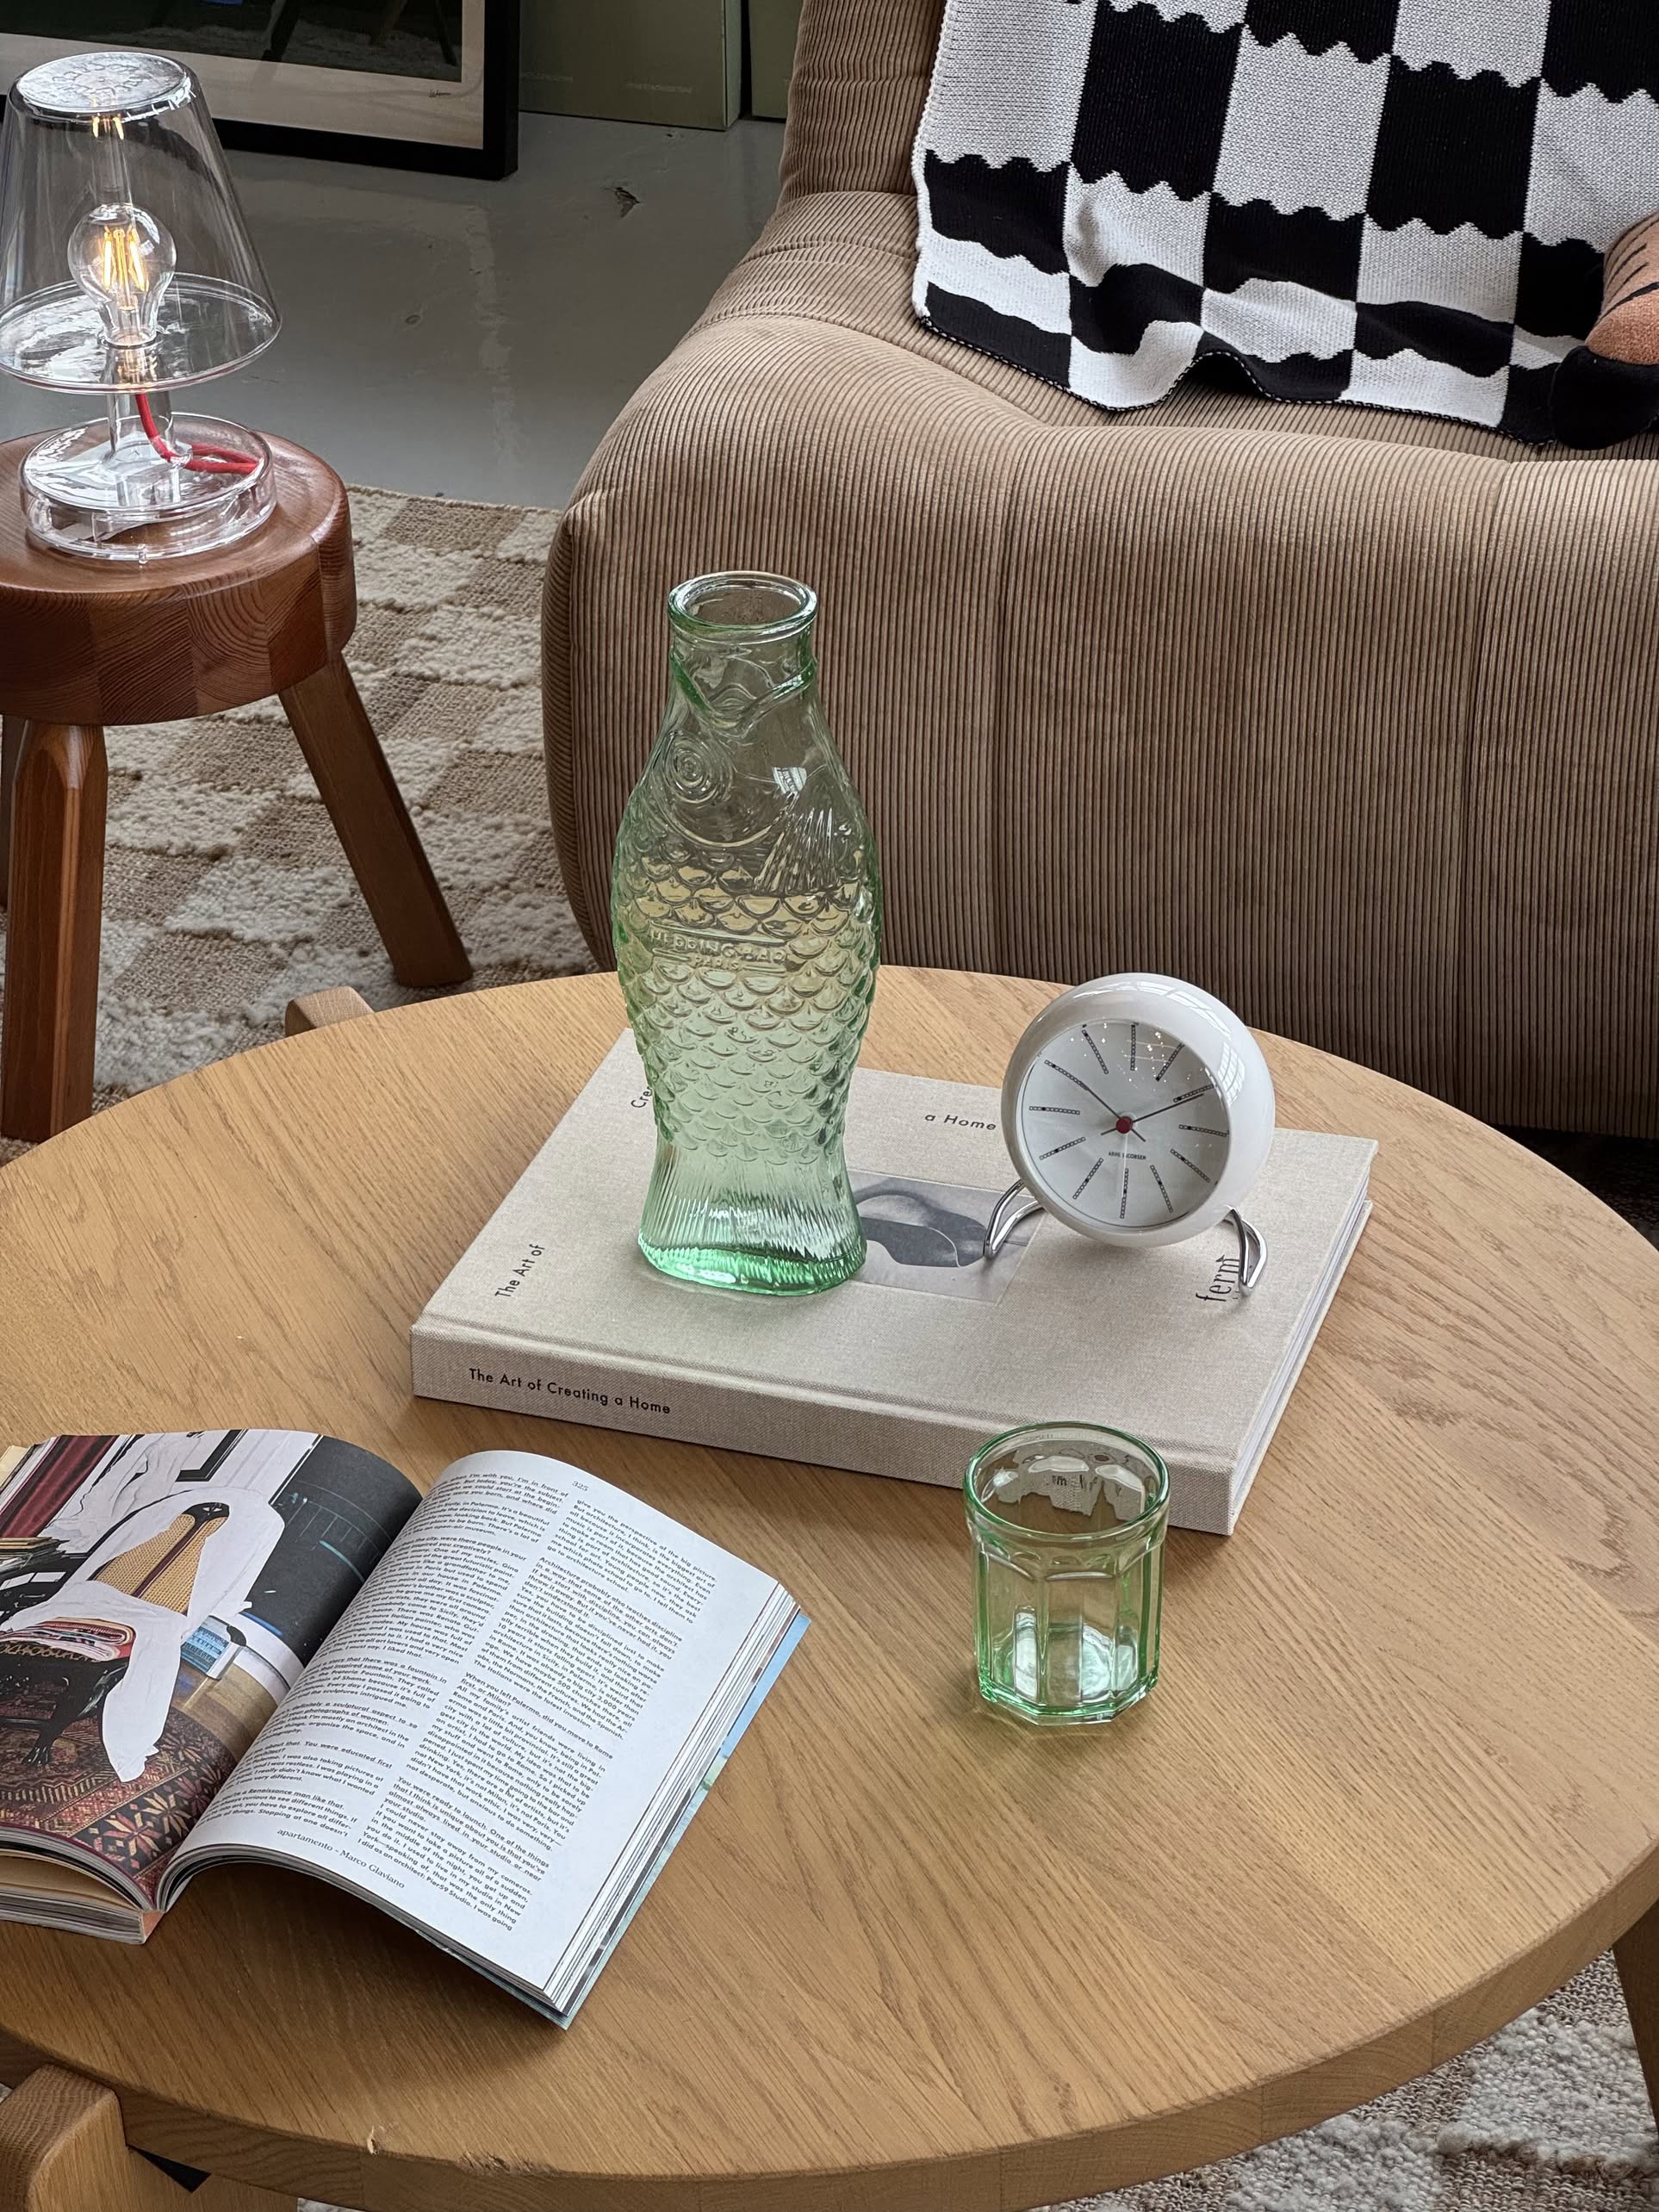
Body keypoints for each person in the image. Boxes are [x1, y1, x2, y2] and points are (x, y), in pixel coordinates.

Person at [5, 1487, 284, 1783]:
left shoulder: (254, 1530)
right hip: (97, 1596)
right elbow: (108, 1558)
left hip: (159, 1615)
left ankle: (54, 1736)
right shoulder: (163, 1514)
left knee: (153, 1649)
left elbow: (227, 1596)